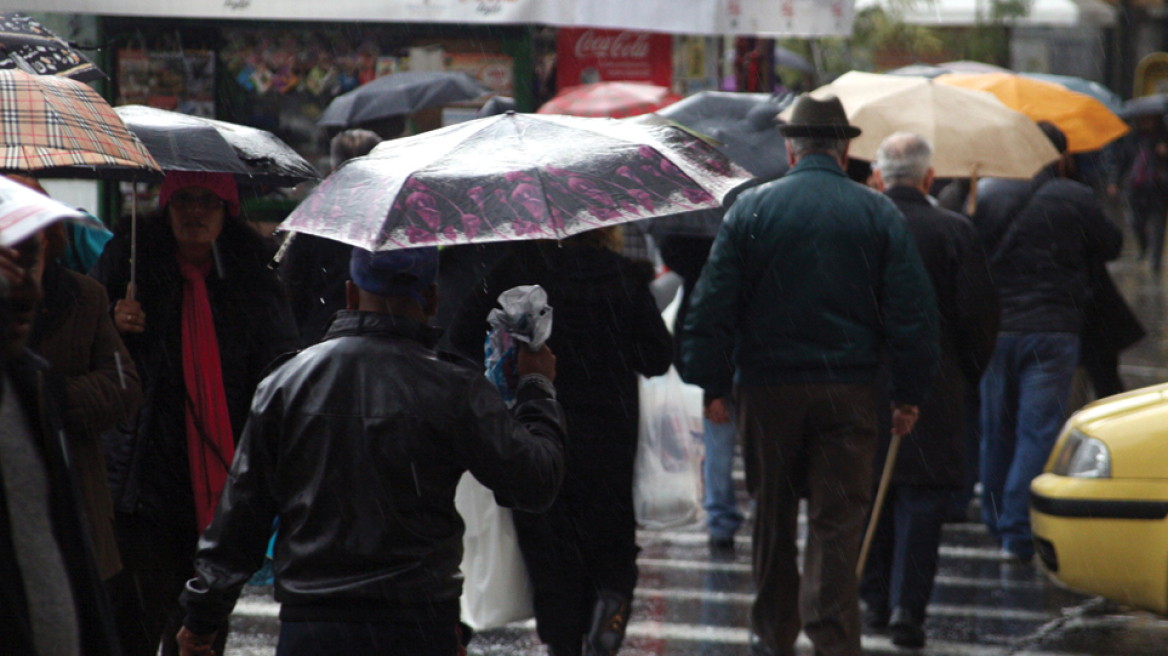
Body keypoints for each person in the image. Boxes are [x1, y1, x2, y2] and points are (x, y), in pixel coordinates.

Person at [176, 245, 566, 656]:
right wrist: (536, 387)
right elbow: (535, 481)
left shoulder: (287, 383)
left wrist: (201, 620)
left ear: (349, 294)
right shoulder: (453, 387)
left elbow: (242, 514)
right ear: (431, 299)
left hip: (313, 626)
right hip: (417, 624)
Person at [680, 95, 940, 656]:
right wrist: (909, 393)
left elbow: (713, 303)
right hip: (849, 388)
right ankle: (832, 638)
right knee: (837, 521)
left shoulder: (750, 209)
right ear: (845, 150)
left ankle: (773, 635)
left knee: (772, 516)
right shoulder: (878, 212)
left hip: (768, 388)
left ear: (789, 148)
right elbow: (913, 313)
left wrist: (712, 383)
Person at [92, 170, 300, 656]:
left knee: (200, 637)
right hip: (141, 490)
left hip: (221, 488)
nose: (195, 212)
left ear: (227, 210)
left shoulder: (254, 279)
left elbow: (280, 372)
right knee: (131, 628)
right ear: (164, 206)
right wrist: (112, 325)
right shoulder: (127, 263)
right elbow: (80, 359)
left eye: (208, 200)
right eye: (184, 199)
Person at [449, 227, 674, 656]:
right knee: (610, 539)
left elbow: (461, 340)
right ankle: (611, 603)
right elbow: (658, 357)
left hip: (538, 427)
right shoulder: (623, 275)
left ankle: (563, 642)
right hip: (611, 436)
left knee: (549, 548)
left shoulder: (520, 270)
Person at [860, 133, 999, 648]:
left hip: (865, 380)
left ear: (878, 176)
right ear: (929, 178)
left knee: (872, 486)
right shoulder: (955, 230)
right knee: (922, 501)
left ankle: (874, 599)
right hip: (936, 385)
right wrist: (964, 373)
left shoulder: (862, 226)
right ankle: (907, 609)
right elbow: (979, 316)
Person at [977, 123, 1122, 563]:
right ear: (1061, 158)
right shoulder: (1074, 197)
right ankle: (1017, 531)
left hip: (996, 328)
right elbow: (1112, 245)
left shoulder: (984, 193)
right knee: (1036, 430)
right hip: (1053, 329)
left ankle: (996, 516)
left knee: (995, 431)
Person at [1, 229, 123, 656]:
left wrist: (57, 397)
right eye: (11, 263)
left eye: (33, 260)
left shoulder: (29, 384)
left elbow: (122, 385)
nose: (30, 289)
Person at [29, 218, 145, 583]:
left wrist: (54, 397)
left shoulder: (85, 297)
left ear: (49, 238)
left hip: (73, 498)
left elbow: (124, 386)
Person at [659, 234, 743, 552]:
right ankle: (760, 521)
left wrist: (710, 390)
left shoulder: (698, 261)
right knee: (759, 453)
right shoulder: (748, 253)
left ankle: (721, 524)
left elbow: (696, 329)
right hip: (756, 370)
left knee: (718, 451)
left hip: (720, 374)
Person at [279, 129, 382, 347]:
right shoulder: (388, 217)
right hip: (380, 338)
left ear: (335, 168)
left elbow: (292, 286)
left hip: (321, 338)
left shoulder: (312, 216)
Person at [1112, 115, 1168, 272]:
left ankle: (1155, 260)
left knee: (1158, 226)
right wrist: (1114, 181)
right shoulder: (1133, 139)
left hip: (1158, 189)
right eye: (1144, 119)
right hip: (1136, 188)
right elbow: (1122, 161)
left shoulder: (1163, 138)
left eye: (1149, 119)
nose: (1146, 122)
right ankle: (1144, 248)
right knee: (1136, 223)